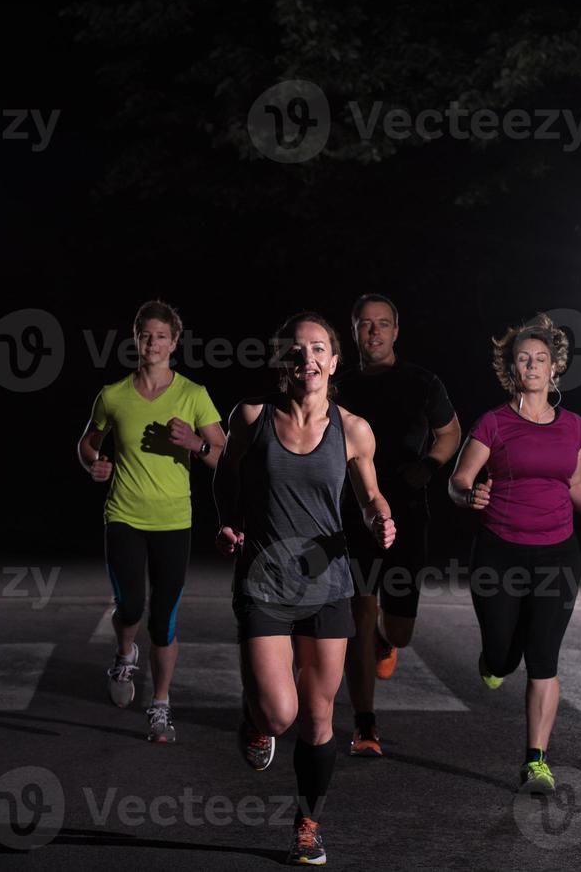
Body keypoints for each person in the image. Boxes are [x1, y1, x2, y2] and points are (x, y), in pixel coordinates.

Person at [213, 312, 394, 866]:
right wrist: (227, 520)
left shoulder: (354, 429)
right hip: (263, 582)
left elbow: (370, 496)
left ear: (334, 362)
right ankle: (255, 718)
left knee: (319, 719)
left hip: (328, 585)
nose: (307, 359)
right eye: (296, 350)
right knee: (278, 716)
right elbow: (226, 472)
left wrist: (381, 518)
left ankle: (307, 824)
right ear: (282, 361)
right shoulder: (251, 417)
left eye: (318, 350)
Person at [448, 312, 581, 794]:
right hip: (499, 553)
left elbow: (576, 484)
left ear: (554, 369)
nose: (532, 365)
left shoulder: (574, 427)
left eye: (540, 358)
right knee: (505, 659)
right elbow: (459, 480)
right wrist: (469, 496)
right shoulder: (494, 422)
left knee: (544, 657)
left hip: (557, 555)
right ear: (512, 368)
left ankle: (536, 761)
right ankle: (494, 662)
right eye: (523, 358)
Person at [76, 299, 225, 743]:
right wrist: (93, 464)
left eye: (162, 335)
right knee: (130, 607)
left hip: (174, 521)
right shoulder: (113, 394)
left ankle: (160, 705)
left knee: (163, 620)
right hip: (123, 514)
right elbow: (87, 442)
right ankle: (125, 652)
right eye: (146, 334)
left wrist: (195, 443)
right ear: (135, 338)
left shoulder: (193, 394)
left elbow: (225, 455)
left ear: (175, 342)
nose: (153, 342)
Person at [337, 293, 461, 757]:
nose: (373, 332)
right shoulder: (339, 384)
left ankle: (386, 642)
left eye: (382, 324)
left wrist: (429, 466)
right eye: (365, 324)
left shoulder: (422, 382)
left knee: (400, 628)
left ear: (395, 331)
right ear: (353, 332)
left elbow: (450, 432)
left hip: (406, 510)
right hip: (353, 511)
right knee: (360, 612)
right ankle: (365, 725)